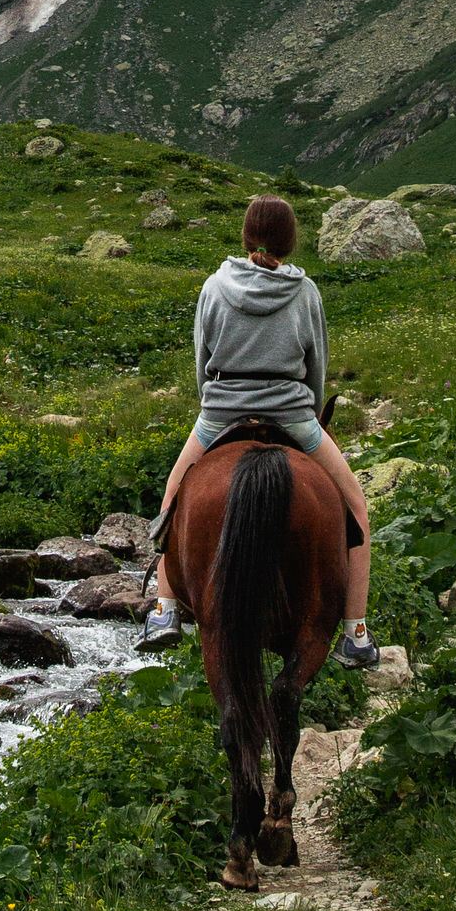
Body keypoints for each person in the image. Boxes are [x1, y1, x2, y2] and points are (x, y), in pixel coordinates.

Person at [138, 191, 379, 668]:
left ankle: (164, 611)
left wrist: (215, 402)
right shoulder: (305, 293)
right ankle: (355, 632)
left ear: (246, 235)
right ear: (290, 243)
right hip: (292, 413)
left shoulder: (213, 286)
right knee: (356, 506)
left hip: (221, 412)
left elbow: (202, 362)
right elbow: (317, 368)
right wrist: (303, 408)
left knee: (173, 496)